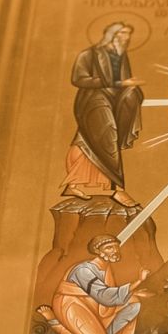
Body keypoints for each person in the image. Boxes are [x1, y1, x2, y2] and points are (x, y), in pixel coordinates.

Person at [62, 21, 144, 207]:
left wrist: (129, 89)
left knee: (85, 139)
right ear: (111, 35)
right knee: (108, 135)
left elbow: (122, 81)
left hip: (114, 100)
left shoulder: (121, 55)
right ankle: (116, 188)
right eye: (122, 33)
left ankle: (73, 184)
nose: (126, 38)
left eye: (128, 34)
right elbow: (78, 79)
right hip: (92, 99)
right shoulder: (89, 54)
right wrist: (114, 83)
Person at [37, 235, 150, 334]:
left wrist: (132, 292)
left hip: (93, 306)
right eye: (109, 248)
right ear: (98, 251)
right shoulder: (83, 270)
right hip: (73, 306)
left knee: (134, 302)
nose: (115, 251)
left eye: (116, 247)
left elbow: (106, 294)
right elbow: (104, 296)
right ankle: (54, 321)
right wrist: (138, 281)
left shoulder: (105, 268)